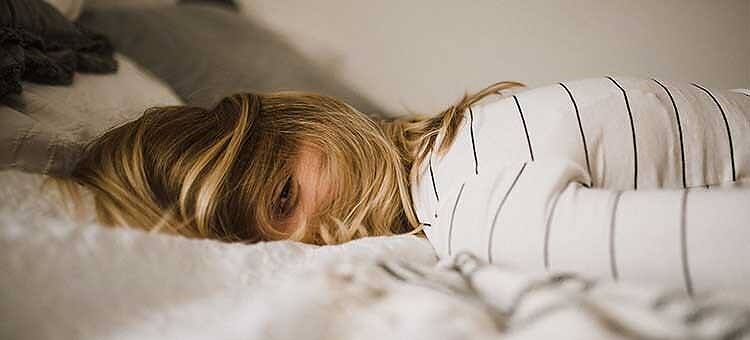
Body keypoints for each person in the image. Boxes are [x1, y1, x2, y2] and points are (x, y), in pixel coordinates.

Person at [65, 77, 750, 293]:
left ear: (309, 118)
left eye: (283, 199)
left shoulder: (475, 206)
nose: (309, 243)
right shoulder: (465, 136)